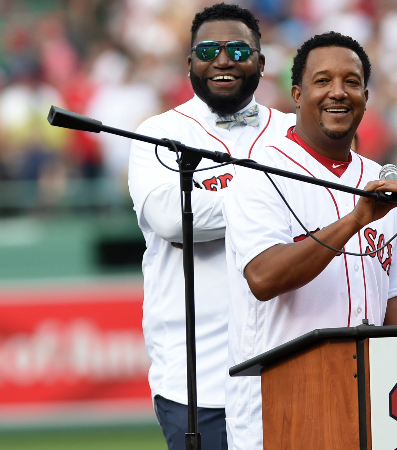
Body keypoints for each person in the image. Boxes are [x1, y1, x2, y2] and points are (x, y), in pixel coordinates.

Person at [222, 31, 397, 450]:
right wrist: (355, 219)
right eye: (323, 81)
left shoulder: (374, 177)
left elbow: (394, 306)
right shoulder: (259, 173)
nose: (339, 92)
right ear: (297, 94)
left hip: (367, 408)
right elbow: (263, 278)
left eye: (351, 82)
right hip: (280, 408)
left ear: (366, 96)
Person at [127, 4, 294, 450]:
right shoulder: (157, 135)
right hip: (198, 382)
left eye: (239, 49)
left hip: (291, 367)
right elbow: (171, 218)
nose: (223, 59)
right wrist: (278, 200)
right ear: (190, 63)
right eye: (208, 49)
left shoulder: (296, 133)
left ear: (261, 61)